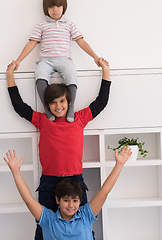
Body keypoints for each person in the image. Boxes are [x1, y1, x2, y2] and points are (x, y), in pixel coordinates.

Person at [6, 58, 110, 239]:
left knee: (83, 222)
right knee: (43, 226)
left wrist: (106, 72)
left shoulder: (80, 118)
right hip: (49, 182)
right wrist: (10, 76)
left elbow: (101, 102)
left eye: (62, 101)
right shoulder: (43, 121)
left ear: (69, 102)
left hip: (75, 179)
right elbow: (19, 107)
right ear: (48, 105)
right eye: (53, 103)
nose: (58, 106)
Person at [3, 146, 132, 240]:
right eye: (66, 200)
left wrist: (119, 165)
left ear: (80, 201)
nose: (71, 205)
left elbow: (104, 192)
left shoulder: (85, 215)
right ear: (58, 200)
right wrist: (16, 171)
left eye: (75, 201)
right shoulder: (48, 219)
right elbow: (29, 201)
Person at [13, 0, 102, 122]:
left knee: (72, 75)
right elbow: (32, 43)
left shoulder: (69, 24)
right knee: (39, 76)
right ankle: (47, 108)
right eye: (51, 6)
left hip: (64, 60)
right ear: (46, 8)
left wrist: (95, 57)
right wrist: (18, 60)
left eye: (59, 6)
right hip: (46, 60)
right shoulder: (41, 25)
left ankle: (70, 108)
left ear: (64, 7)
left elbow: (81, 41)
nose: (55, 9)